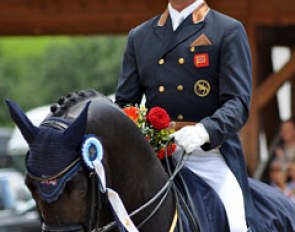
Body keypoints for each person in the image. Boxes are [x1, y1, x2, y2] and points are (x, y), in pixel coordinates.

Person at [115, 0, 260, 231]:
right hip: (155, 156)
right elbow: (125, 104)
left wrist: (204, 131)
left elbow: (238, 102)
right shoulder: (139, 36)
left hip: (208, 154)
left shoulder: (227, 29)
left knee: (236, 223)